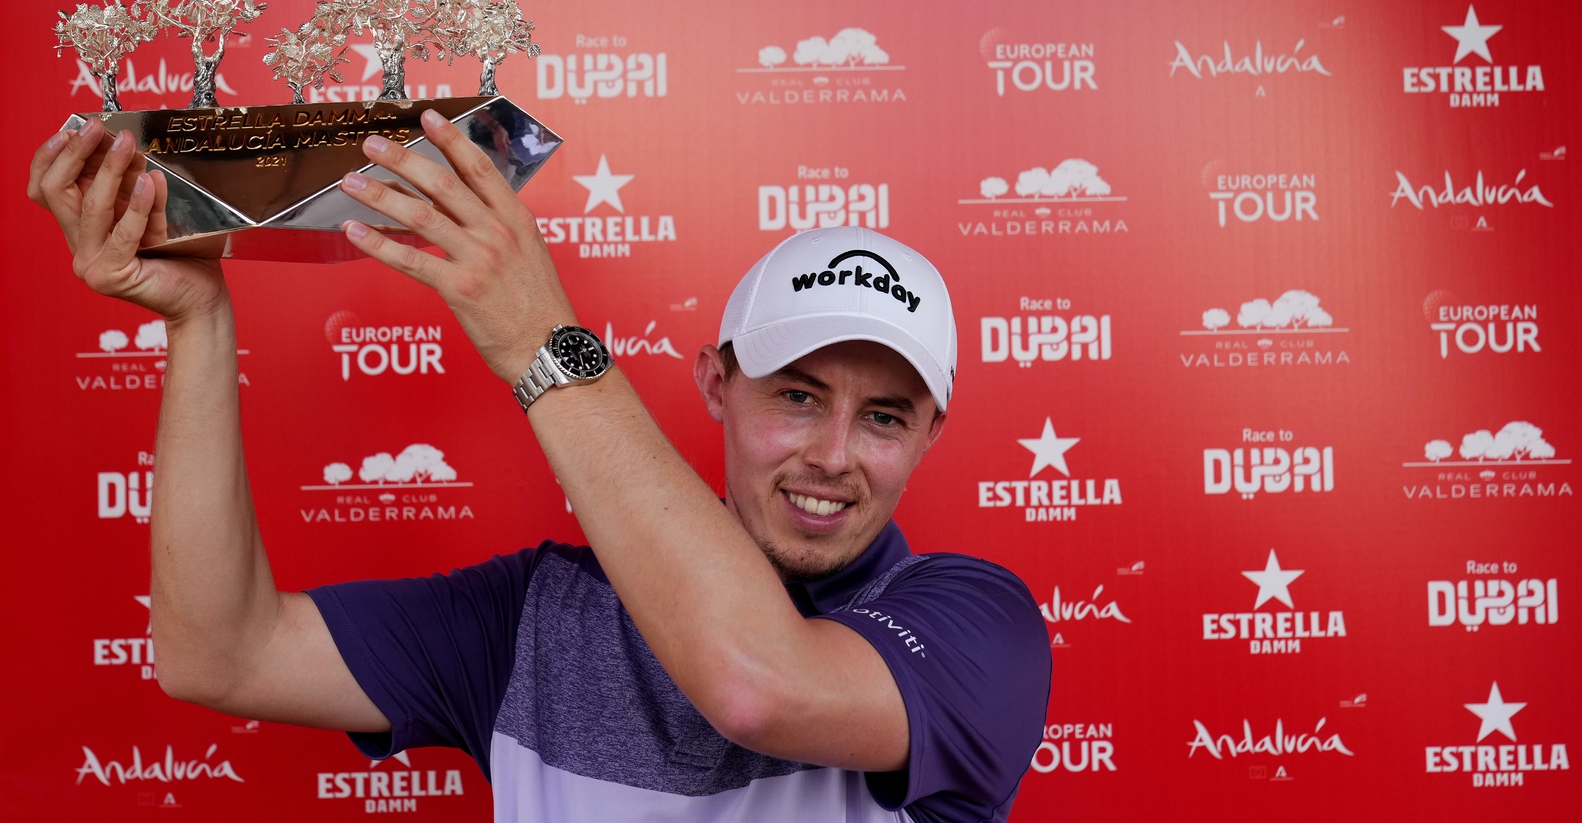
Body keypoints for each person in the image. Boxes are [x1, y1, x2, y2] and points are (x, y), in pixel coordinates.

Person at [27, 113, 1051, 822]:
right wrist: (198, 320)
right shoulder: (540, 618)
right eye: (796, 395)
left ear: (931, 437)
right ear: (715, 386)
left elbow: (755, 684)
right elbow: (220, 655)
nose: (833, 455)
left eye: (882, 416)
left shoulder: (976, 624)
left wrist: (535, 334)